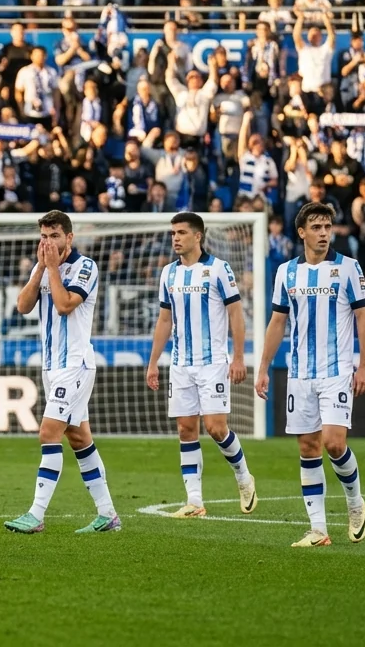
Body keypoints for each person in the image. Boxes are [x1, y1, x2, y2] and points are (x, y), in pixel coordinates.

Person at [255, 202, 365, 547]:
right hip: (300, 375)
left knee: (334, 443)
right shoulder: (286, 272)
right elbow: (277, 322)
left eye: (327, 227)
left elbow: (363, 319)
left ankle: (354, 502)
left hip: (336, 372)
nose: (323, 233)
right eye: (316, 227)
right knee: (308, 447)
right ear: (302, 232)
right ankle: (318, 529)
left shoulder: (348, 268)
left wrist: (363, 364)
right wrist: (263, 367)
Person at [5, 211, 121, 534]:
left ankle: (36, 514)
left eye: (54, 235)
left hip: (76, 365)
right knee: (79, 437)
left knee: (48, 433)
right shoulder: (42, 267)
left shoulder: (86, 267)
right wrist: (42, 267)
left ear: (69, 237)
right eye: (43, 236)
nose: (48, 242)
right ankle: (108, 514)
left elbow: (64, 304)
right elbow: (23, 306)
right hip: (51, 367)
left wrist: (52, 268)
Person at [145, 213, 258, 518]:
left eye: (181, 232)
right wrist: (153, 362)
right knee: (185, 428)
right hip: (181, 364)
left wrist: (238, 357)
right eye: (172, 233)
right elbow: (164, 319)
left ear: (198, 236)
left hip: (213, 364)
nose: (175, 238)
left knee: (216, 428)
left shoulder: (219, 269)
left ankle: (243, 477)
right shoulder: (168, 273)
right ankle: (194, 501)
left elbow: (236, 314)